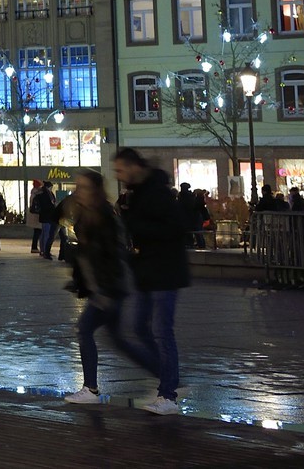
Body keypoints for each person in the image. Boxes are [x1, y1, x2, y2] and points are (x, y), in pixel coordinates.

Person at [60, 169, 161, 406]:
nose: (78, 192)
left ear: (95, 190)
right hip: (107, 287)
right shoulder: (88, 215)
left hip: (110, 287)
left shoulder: (104, 216)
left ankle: (90, 388)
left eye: (83, 187)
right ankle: (167, 377)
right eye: (78, 187)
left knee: (85, 330)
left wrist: (102, 290)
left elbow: (113, 255)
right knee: (119, 340)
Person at [112, 147, 190, 415]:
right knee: (141, 328)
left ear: (134, 166)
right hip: (149, 271)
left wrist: (136, 226)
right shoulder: (139, 194)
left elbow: (176, 228)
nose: (119, 175)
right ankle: (169, 379)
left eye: (120, 170)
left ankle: (168, 393)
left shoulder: (156, 193)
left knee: (161, 331)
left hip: (164, 272)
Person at [30, 180, 58, 258]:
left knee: (43, 234)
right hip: (47, 216)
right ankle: (45, 250)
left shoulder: (40, 193)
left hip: (43, 216)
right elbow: (49, 205)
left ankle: (43, 250)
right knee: (46, 234)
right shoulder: (47, 195)